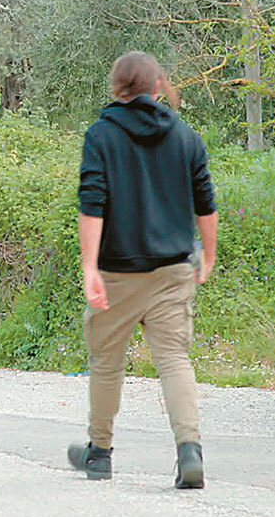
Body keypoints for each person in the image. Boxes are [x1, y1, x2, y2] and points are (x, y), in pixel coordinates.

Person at [67, 51, 218, 489]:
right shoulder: (186, 136)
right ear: (158, 87)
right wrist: (207, 256)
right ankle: (190, 452)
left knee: (107, 363)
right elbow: (205, 202)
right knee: (174, 360)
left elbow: (91, 203)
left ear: (117, 88)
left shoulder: (101, 135)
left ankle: (100, 453)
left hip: (118, 274)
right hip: (173, 270)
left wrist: (89, 266)